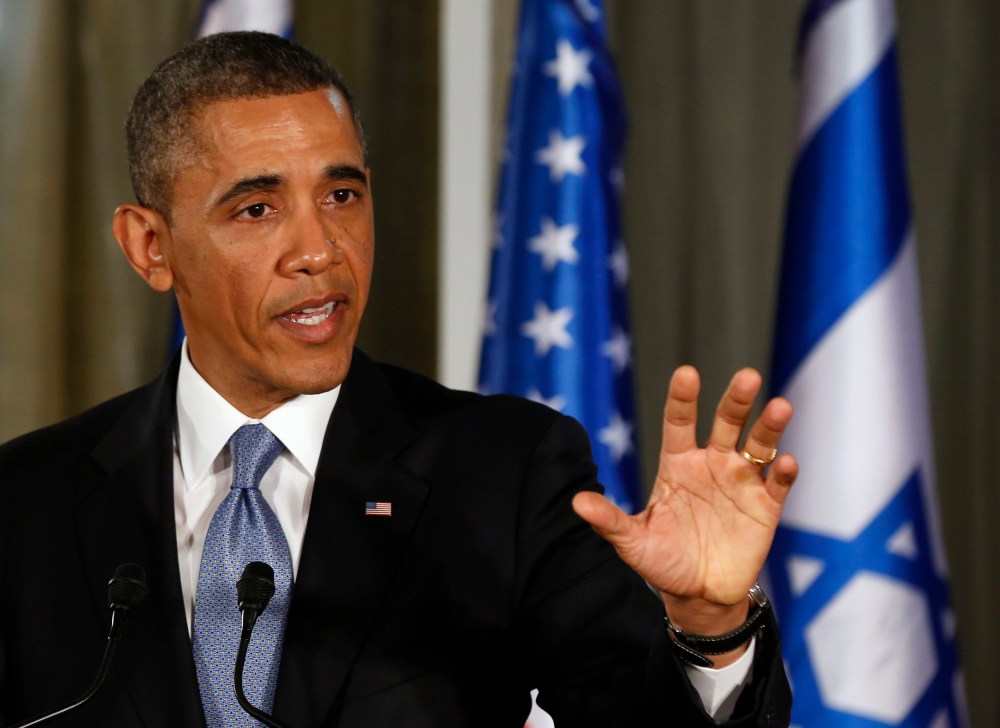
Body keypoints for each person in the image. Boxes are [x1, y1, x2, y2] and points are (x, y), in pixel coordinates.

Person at [0, 32, 795, 727]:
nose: (320, 250)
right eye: (257, 209)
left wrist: (708, 624)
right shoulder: (24, 504)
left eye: (342, 195)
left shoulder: (504, 472)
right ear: (150, 246)